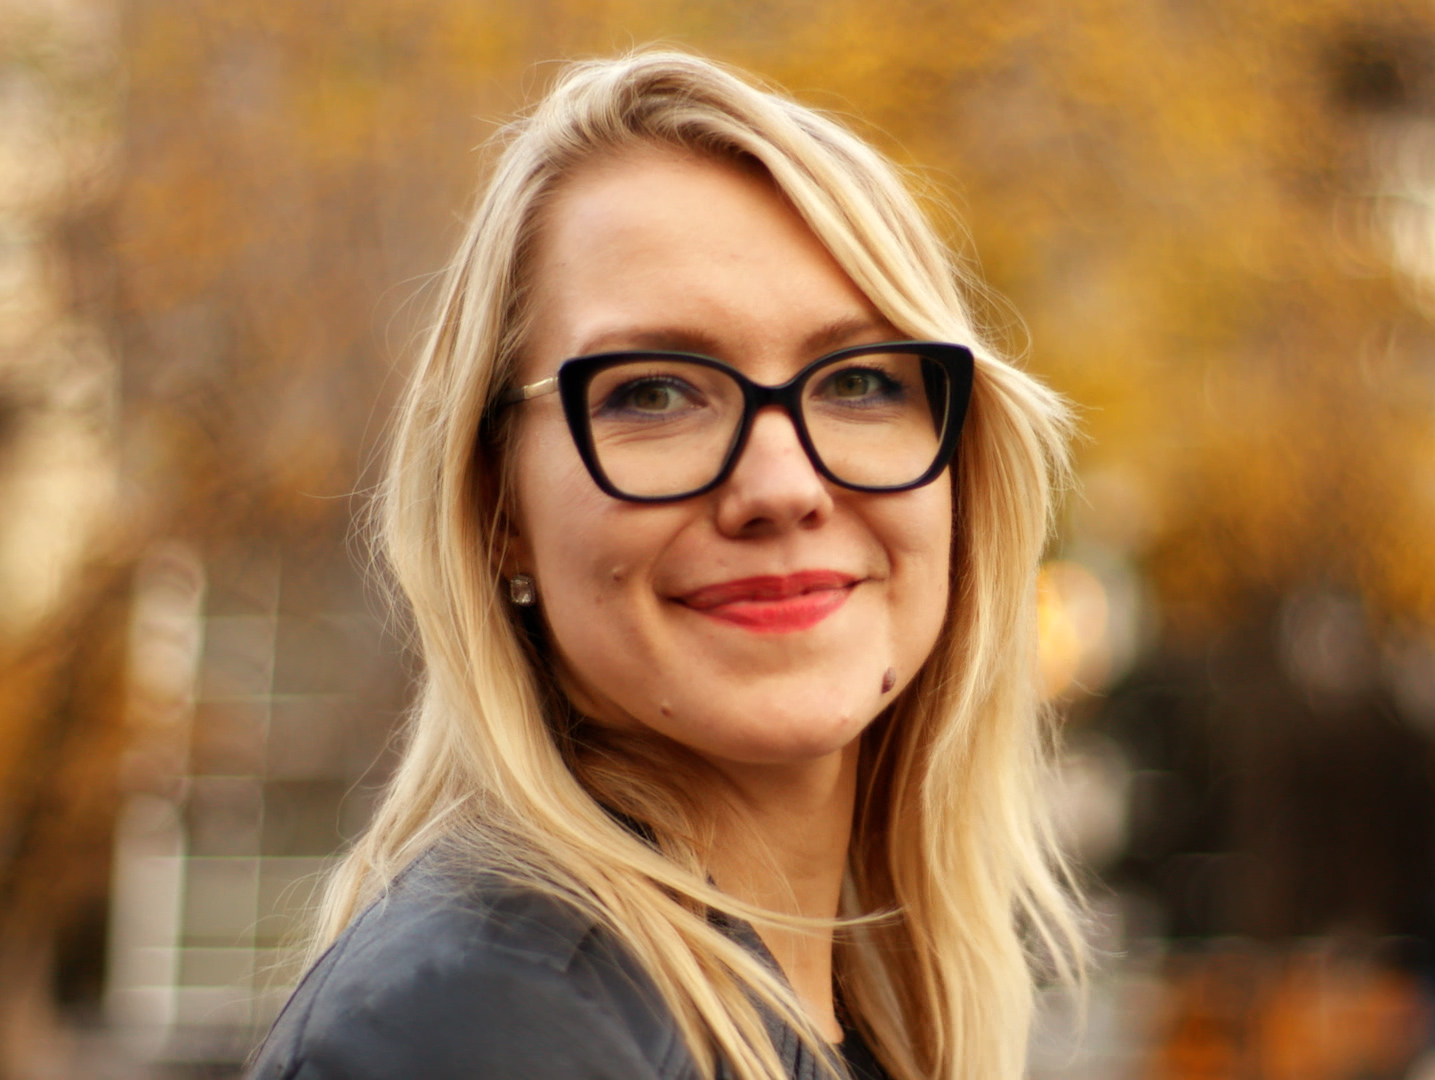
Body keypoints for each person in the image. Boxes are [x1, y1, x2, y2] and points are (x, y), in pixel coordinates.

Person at [246, 49, 1084, 1080]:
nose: (782, 484)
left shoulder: (845, 1022)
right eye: (653, 394)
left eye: (863, 381)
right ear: (498, 507)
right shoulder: (477, 1025)